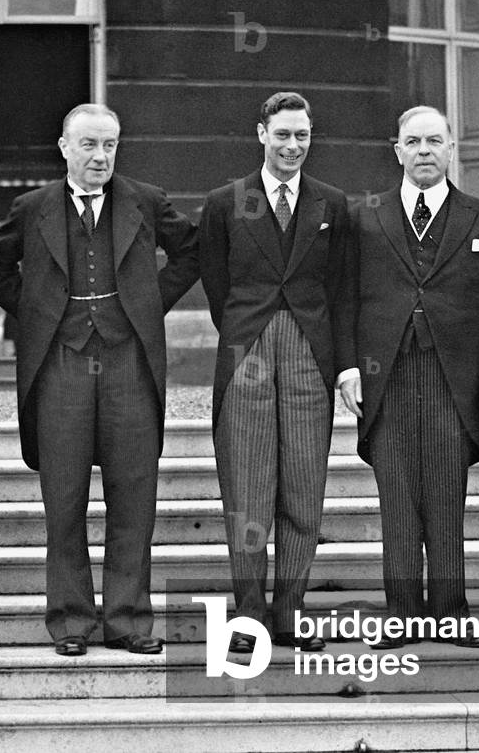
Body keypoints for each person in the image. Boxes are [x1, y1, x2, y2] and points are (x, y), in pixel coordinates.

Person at [0, 103, 198, 657]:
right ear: (64, 148)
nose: (100, 156)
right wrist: (38, 312)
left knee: (134, 498)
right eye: (88, 145)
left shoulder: (145, 200)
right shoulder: (31, 208)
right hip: (62, 366)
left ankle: (129, 621)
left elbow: (191, 251)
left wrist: (148, 304)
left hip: (129, 363)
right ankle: (71, 622)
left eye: (109, 145)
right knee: (64, 499)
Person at [340, 105, 479, 649]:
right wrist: (348, 367)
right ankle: (400, 617)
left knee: (446, 494)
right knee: (395, 497)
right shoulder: (364, 215)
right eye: (413, 141)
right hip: (385, 375)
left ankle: (450, 613)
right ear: (397, 150)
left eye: (434, 141)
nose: (424, 150)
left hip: (454, 376)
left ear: (450, 150)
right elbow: (343, 297)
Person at [198, 91, 350, 653]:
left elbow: (338, 285)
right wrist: (246, 329)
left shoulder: (332, 203)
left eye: (302, 136)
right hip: (248, 351)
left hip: (310, 351)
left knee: (304, 491)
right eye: (282, 134)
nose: (292, 146)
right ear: (260, 133)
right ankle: (250, 616)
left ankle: (290, 613)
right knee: (248, 491)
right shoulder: (224, 202)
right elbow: (217, 284)